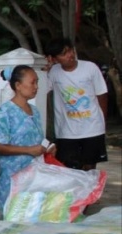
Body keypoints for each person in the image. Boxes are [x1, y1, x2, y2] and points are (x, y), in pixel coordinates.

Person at [0, 66, 55, 208]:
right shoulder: (5, 111)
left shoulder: (35, 111)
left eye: (37, 82)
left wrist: (47, 148)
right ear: (18, 85)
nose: (36, 87)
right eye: (32, 83)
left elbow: (37, 141)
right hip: (12, 181)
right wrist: (28, 150)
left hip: (34, 178)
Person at [46, 38, 108, 171]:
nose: (70, 55)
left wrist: (101, 121)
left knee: (90, 167)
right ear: (55, 59)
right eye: (64, 54)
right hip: (66, 131)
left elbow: (101, 94)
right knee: (68, 169)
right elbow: (40, 91)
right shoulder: (53, 72)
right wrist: (44, 70)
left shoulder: (90, 68)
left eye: (70, 50)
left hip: (92, 128)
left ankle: (90, 192)